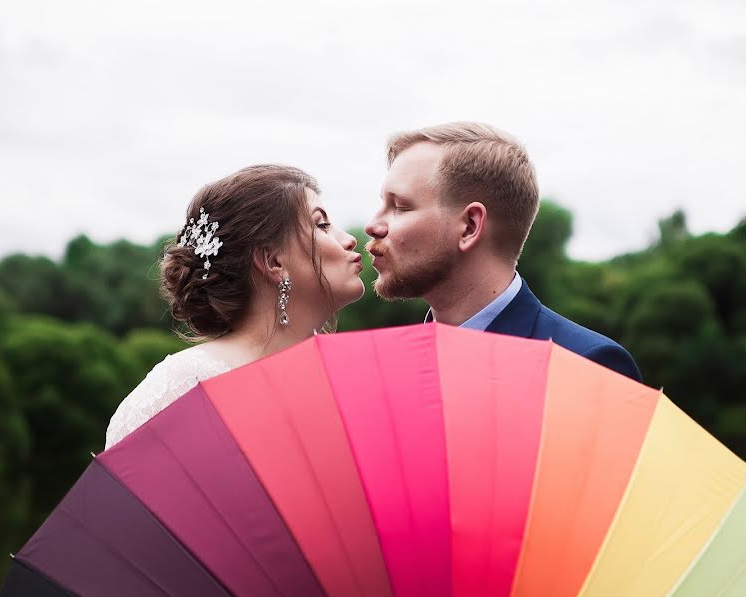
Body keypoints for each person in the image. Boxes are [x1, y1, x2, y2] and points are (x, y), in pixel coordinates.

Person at [104, 164, 365, 449]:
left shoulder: (350, 381)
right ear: (272, 261)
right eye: (322, 225)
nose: (349, 240)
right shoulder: (182, 389)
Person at [364, 121, 642, 382]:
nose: (373, 225)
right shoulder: (389, 368)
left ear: (470, 226)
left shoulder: (584, 367)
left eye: (399, 207)